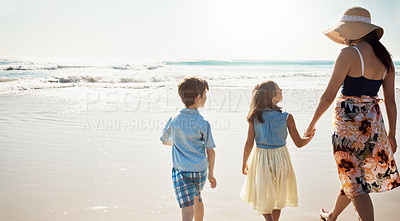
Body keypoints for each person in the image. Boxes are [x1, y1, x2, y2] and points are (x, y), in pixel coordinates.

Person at [304, 6, 400, 221]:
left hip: (348, 126)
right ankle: (331, 215)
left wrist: (310, 125)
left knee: (355, 181)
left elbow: (328, 96)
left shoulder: (349, 54)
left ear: (353, 31)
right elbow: (391, 102)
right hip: (373, 126)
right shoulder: (386, 61)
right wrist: (392, 134)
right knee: (354, 176)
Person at [240, 81, 315, 221]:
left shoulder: (255, 117)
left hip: (261, 159)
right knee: (278, 194)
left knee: (263, 193)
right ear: (272, 97)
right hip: (281, 159)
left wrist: (244, 162)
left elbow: (249, 143)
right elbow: (299, 143)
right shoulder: (287, 117)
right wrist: (308, 138)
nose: (281, 90)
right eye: (278, 89)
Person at [160, 77, 217, 221]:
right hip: (200, 170)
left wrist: (180, 142)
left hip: (181, 170)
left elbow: (165, 141)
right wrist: (211, 174)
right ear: (198, 97)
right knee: (197, 197)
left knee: (187, 206)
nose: (206, 98)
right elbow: (211, 150)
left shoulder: (174, 120)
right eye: (205, 95)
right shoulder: (203, 123)